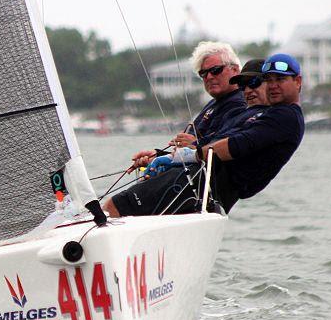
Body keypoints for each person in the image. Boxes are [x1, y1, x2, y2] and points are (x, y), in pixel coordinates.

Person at [102, 54, 304, 217]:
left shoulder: (283, 116)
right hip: (201, 185)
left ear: (298, 82)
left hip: (201, 185)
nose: (248, 90)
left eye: (280, 79)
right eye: (269, 80)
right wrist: (163, 156)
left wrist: (187, 155)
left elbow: (234, 145)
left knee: (112, 208)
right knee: (118, 210)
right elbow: (218, 139)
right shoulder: (266, 113)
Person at [129, 41, 246, 172]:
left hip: (209, 180)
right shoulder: (215, 103)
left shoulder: (240, 104)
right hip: (187, 174)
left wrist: (195, 144)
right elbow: (186, 151)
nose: (209, 77)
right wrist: (157, 156)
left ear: (235, 70)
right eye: (203, 73)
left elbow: (227, 146)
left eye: (215, 70)